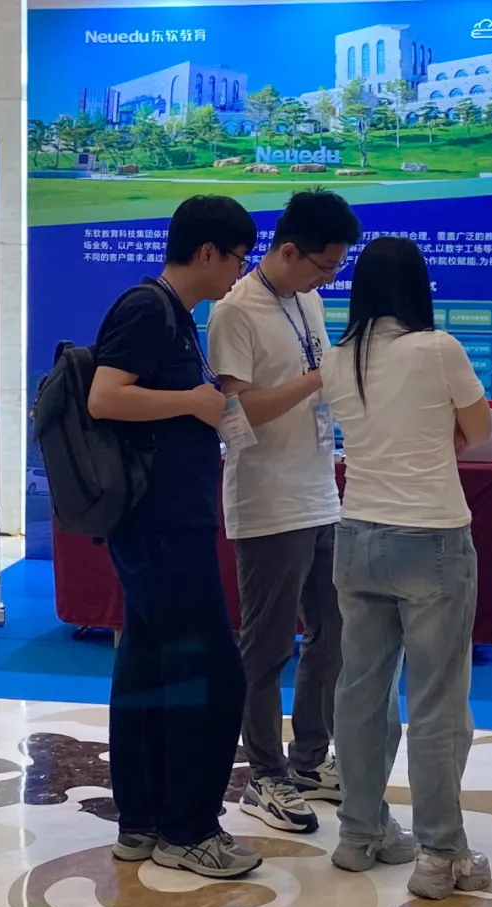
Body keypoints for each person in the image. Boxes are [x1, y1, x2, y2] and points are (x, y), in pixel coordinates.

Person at [87, 195, 261, 879]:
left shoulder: (176, 315)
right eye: (238, 257)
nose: (239, 272)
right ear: (207, 252)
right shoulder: (146, 308)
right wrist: (192, 401)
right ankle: (188, 829)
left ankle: (144, 821)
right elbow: (105, 396)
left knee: (151, 668)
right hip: (158, 525)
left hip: (166, 522)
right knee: (210, 671)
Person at [320, 237, 492, 899]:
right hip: (432, 539)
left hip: (356, 535)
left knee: (360, 692)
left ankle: (358, 833)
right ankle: (442, 853)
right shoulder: (438, 348)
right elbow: (478, 432)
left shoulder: (337, 358)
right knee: (437, 702)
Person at [207, 189, 361, 833]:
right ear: (290, 250)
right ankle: (264, 776)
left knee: (335, 634)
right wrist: (320, 377)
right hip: (267, 500)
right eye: (324, 265)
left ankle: (309, 760)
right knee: (267, 648)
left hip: (321, 490)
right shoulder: (234, 311)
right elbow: (239, 410)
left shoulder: (307, 300)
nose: (329, 278)